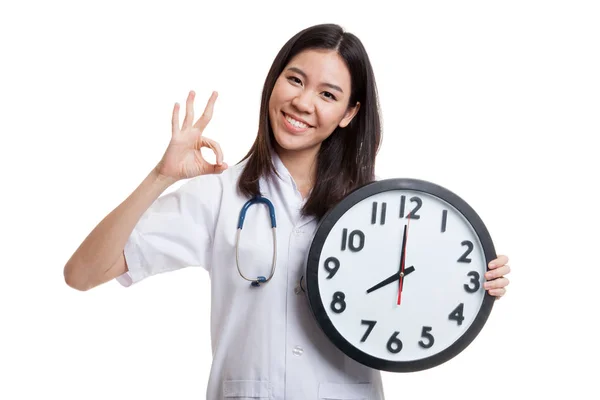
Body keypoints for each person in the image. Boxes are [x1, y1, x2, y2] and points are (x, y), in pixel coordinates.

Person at [64, 23, 511, 400]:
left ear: (349, 113)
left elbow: (413, 290)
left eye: (328, 94)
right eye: (295, 80)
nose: (302, 102)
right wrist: (161, 175)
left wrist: (471, 280)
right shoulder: (218, 195)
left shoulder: (377, 212)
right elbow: (82, 273)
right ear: (274, 81)